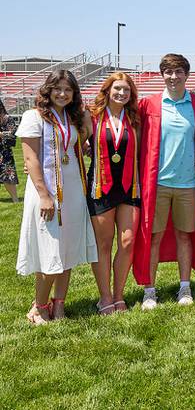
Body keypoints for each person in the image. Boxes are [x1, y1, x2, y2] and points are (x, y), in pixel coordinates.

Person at [16, 70, 97, 324]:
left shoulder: (71, 118)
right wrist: (44, 195)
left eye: (68, 90)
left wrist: (84, 118)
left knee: (68, 247)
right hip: (47, 191)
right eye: (58, 89)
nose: (62, 94)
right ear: (48, 90)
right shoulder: (34, 117)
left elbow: (79, 145)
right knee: (49, 248)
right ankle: (39, 306)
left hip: (73, 189)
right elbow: (30, 159)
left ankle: (59, 304)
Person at [134, 53, 195, 309]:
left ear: (187, 75)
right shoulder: (150, 105)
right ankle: (149, 290)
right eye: (168, 72)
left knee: (184, 236)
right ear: (162, 75)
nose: (173, 76)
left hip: (188, 183)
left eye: (179, 71)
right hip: (157, 184)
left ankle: (185, 288)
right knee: (153, 236)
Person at [86, 72, 142, 314]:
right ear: (107, 90)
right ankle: (105, 297)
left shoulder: (135, 119)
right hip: (102, 186)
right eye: (117, 89)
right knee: (104, 244)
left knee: (127, 241)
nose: (121, 93)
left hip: (129, 186)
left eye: (126, 90)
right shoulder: (92, 118)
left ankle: (119, 296)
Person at [0, 98, 19, 202]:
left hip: (4, 152)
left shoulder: (8, 119)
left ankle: (15, 199)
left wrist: (1, 134)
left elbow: (12, 134)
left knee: (8, 176)